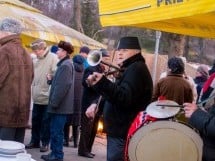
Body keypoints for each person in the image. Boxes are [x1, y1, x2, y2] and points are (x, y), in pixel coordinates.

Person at [86, 36, 153, 161]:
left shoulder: (136, 69)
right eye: (118, 50)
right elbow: (114, 95)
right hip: (119, 130)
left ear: (136, 52)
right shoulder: (130, 68)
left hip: (123, 131)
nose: (120, 53)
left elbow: (124, 98)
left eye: (125, 50)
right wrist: (96, 102)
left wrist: (103, 82)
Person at [0, 18, 34, 143]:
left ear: (6, 32)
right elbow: (30, 80)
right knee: (16, 152)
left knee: (3, 153)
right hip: (21, 114)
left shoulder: (4, 51)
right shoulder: (26, 54)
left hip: (5, 114)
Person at [41, 40, 75, 161]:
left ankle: (57, 155)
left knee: (56, 132)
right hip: (60, 106)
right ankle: (54, 153)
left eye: (60, 50)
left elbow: (63, 86)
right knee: (55, 131)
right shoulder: (65, 64)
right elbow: (60, 82)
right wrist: (52, 79)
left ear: (65, 52)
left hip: (60, 107)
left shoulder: (66, 65)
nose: (57, 51)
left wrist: (53, 103)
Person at [26, 39, 59, 152]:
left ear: (42, 49)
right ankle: (34, 141)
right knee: (35, 120)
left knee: (46, 122)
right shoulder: (36, 59)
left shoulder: (53, 57)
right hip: (36, 95)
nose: (35, 53)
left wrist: (51, 76)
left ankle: (45, 143)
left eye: (37, 50)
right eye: (34, 51)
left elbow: (56, 73)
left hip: (47, 96)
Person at [78, 48, 109, 158]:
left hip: (98, 103)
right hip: (89, 101)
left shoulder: (102, 70)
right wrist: (93, 81)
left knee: (93, 128)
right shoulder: (91, 68)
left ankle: (88, 149)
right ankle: (83, 150)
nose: (107, 60)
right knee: (86, 128)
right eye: (105, 58)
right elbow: (84, 83)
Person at [63, 55, 85, 148]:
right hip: (79, 102)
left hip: (69, 99)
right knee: (76, 123)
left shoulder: (71, 70)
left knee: (66, 123)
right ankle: (76, 143)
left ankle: (66, 141)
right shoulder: (84, 71)